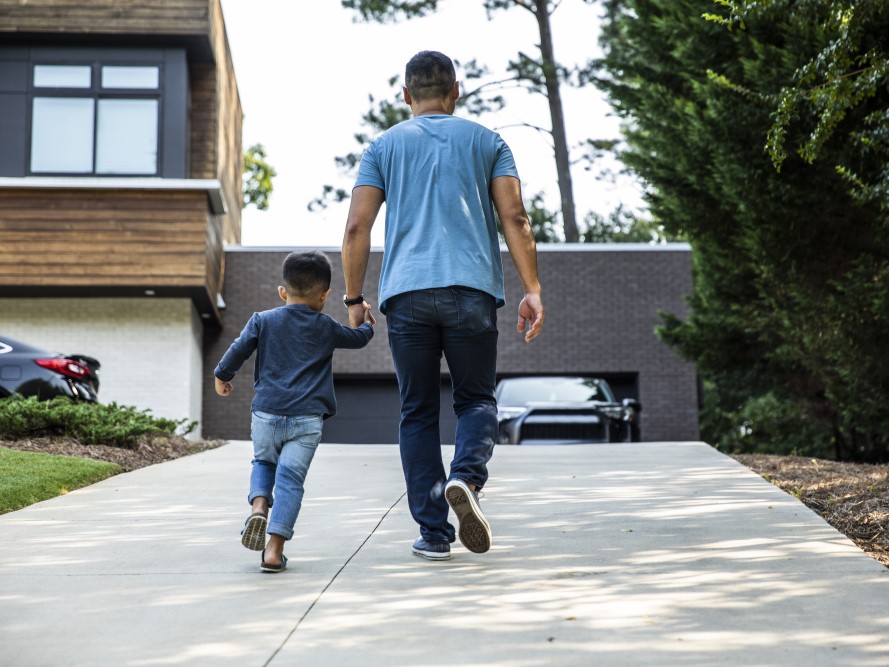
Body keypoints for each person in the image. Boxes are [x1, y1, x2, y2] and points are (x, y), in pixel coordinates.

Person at [341, 50, 544, 561]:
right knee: (476, 400)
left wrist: (352, 298)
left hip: (406, 296)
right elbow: (515, 218)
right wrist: (532, 288)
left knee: (417, 413)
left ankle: (434, 535)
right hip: (471, 291)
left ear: (406, 95)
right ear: (457, 91)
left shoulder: (382, 147)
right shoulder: (488, 141)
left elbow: (356, 228)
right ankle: (467, 480)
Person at [214, 250, 375, 572]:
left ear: (282, 292)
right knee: (290, 480)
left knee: (263, 461)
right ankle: (273, 551)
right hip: (306, 420)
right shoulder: (326, 326)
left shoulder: (263, 320)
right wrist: (365, 322)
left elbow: (238, 349)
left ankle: (259, 506)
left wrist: (222, 375)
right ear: (325, 294)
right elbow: (357, 339)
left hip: (267, 413)